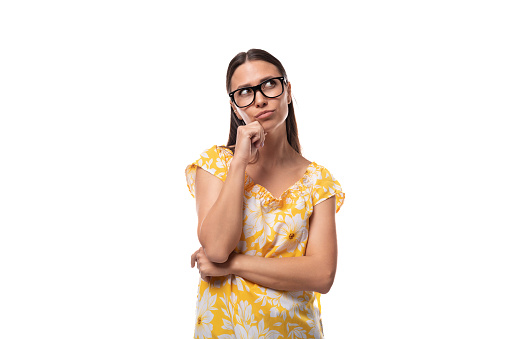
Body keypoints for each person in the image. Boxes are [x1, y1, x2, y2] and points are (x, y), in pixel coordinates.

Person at [185, 48, 345, 338]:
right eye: (245, 92)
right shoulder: (215, 165)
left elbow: (322, 275)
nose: (259, 99)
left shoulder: (318, 181)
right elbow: (218, 247)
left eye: (269, 84)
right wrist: (239, 164)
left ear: (287, 91)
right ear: (235, 107)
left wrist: (232, 265)